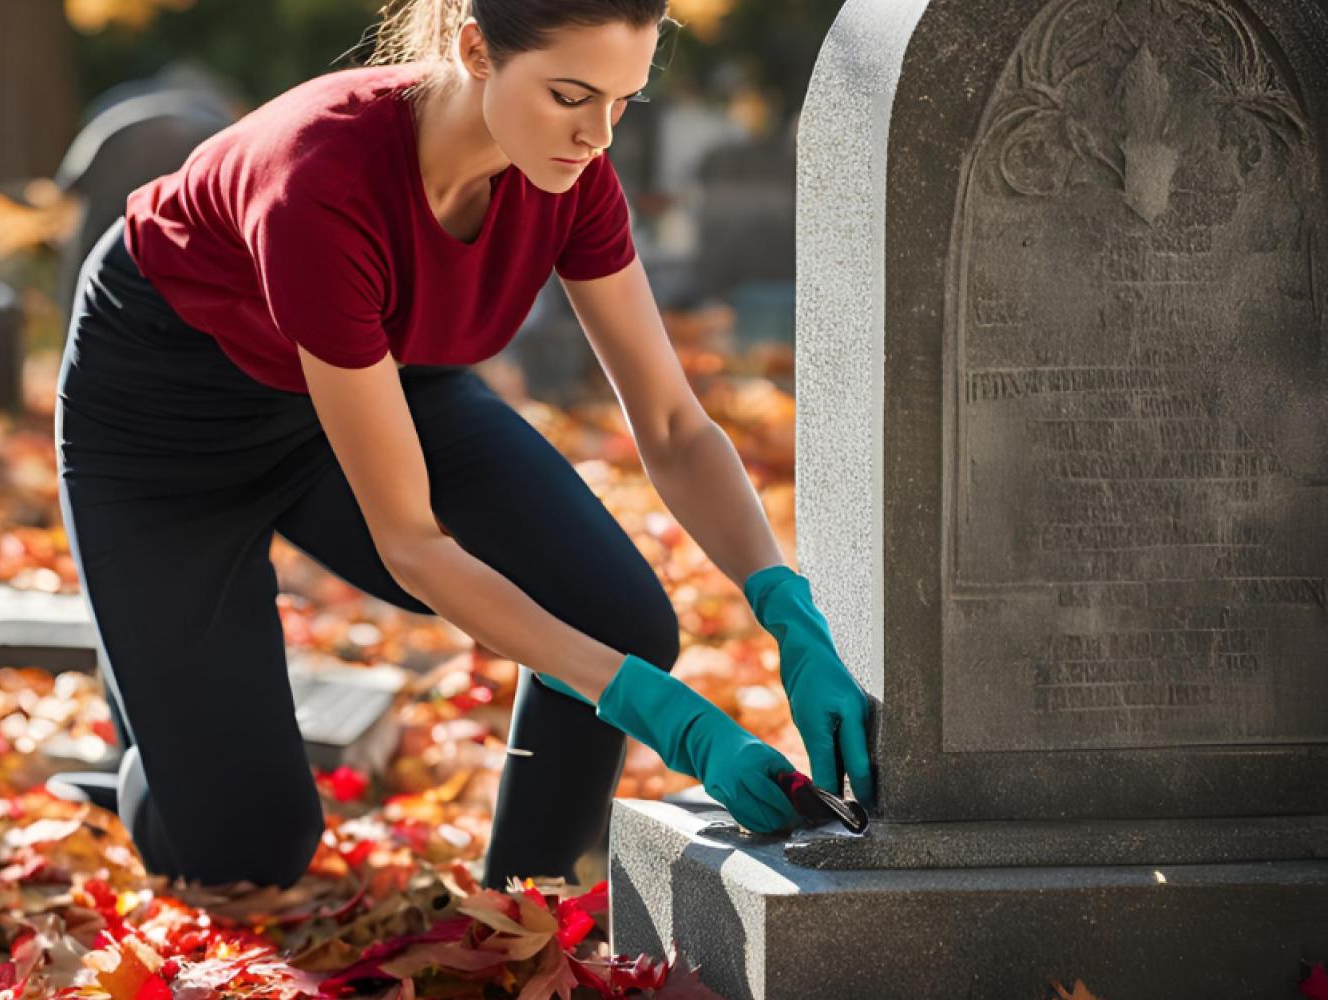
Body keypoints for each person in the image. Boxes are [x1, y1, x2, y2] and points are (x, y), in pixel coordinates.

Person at [53, 0, 876, 893]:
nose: (597, 135)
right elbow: (412, 544)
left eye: (622, 101)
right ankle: (150, 726)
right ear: (475, 49)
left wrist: (787, 611)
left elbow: (673, 425)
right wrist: (665, 717)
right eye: (570, 95)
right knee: (247, 849)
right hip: (165, 424)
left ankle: (529, 894)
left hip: (375, 376)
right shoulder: (319, 182)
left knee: (619, 613)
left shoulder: (566, 174)